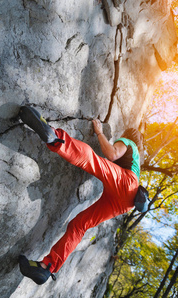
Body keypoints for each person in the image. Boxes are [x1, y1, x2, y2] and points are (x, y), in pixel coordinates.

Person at [18, 105, 143, 285]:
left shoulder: (130, 144)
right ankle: (47, 267)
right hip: (125, 204)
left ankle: (55, 137)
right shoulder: (137, 164)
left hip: (126, 184)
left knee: (91, 160)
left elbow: (112, 153)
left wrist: (99, 133)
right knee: (79, 225)